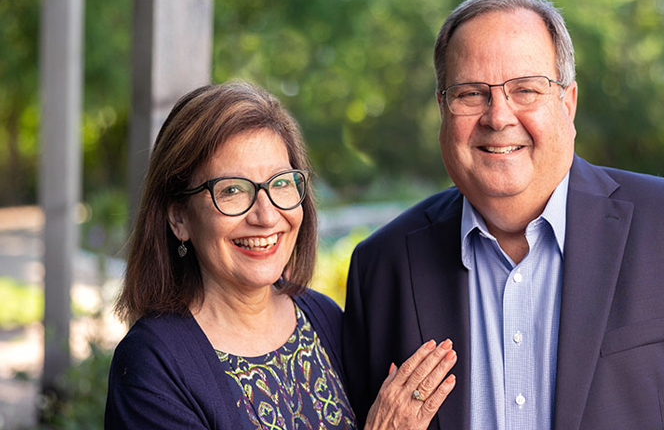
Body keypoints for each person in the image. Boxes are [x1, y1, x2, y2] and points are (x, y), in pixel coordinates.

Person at [342, 0, 664, 428]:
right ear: (443, 108)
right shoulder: (382, 267)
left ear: (569, 102)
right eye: (471, 93)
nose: (498, 116)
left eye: (526, 90)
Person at [104, 82, 458, 430]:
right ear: (179, 217)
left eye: (281, 184)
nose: (266, 216)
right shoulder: (152, 366)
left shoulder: (323, 318)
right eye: (231, 190)